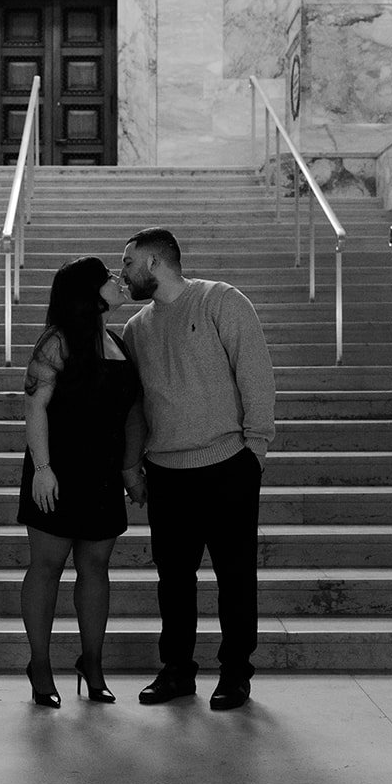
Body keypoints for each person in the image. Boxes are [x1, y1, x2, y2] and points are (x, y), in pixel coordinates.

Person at [119, 226, 275, 712]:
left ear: (154, 264)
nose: (121, 275)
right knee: (174, 581)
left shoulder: (221, 302)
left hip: (228, 464)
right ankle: (177, 671)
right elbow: (139, 406)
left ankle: (235, 674)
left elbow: (255, 374)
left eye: (127, 264)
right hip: (166, 472)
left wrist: (256, 450)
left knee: (235, 578)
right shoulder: (135, 329)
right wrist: (135, 467)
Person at [18, 256, 144, 707]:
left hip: (102, 474)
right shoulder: (57, 342)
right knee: (47, 567)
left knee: (95, 570)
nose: (118, 280)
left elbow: (131, 411)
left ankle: (92, 665)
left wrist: (130, 469)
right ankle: (41, 665)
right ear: (88, 292)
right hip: (57, 470)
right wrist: (43, 469)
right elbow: (34, 407)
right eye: (108, 276)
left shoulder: (116, 341)